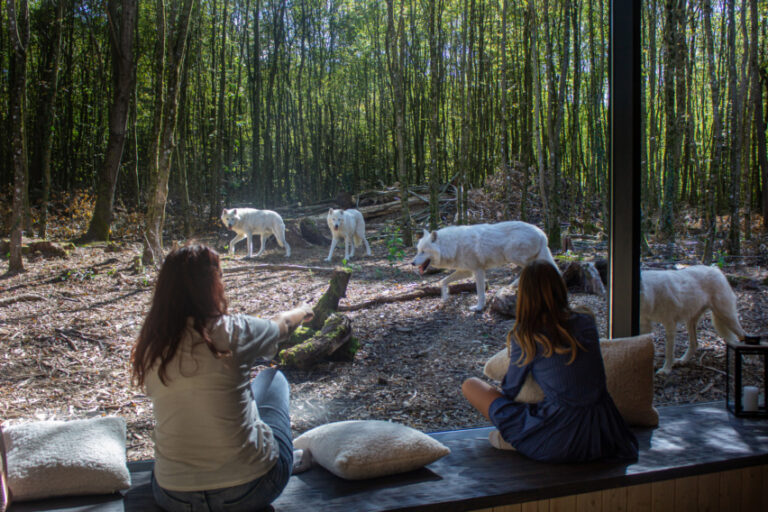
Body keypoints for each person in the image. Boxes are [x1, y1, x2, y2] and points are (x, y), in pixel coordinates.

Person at [131, 244, 313, 511]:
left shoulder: (151, 346)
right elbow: (282, 326)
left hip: (174, 497)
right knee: (272, 378)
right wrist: (303, 310)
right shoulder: (234, 331)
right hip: (252, 488)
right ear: (212, 284)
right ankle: (285, 459)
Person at [461, 259, 639, 463]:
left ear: (524, 295)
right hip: (605, 433)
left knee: (470, 385)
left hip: (559, 437)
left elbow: (511, 389)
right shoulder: (586, 320)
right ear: (559, 287)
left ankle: (518, 438)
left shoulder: (528, 335)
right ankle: (518, 437)